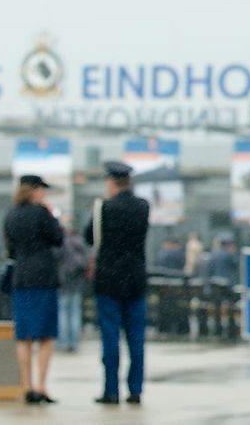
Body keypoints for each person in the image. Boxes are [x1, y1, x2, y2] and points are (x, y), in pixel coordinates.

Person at [85, 161, 149, 406]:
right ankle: (135, 389)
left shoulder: (103, 208)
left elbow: (90, 236)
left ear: (110, 182)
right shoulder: (143, 206)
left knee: (110, 337)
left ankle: (111, 390)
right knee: (136, 338)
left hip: (108, 281)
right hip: (135, 279)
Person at [4, 174, 64, 405]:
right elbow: (57, 239)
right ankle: (41, 385)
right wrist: (52, 216)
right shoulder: (42, 213)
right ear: (34, 191)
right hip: (44, 278)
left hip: (21, 278)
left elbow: (10, 250)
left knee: (24, 335)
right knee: (46, 335)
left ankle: (26, 385)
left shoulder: (11, 215)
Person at [57, 213, 88, 353]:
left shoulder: (62, 242)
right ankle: (74, 341)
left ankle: (63, 341)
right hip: (77, 280)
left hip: (64, 279)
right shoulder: (79, 242)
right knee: (75, 310)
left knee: (63, 310)